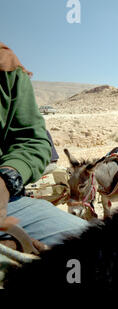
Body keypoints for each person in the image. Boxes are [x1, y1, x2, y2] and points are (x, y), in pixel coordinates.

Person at [0, 42, 88, 249]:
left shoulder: (6, 65)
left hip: (7, 203)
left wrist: (7, 178)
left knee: (97, 247)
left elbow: (31, 140)